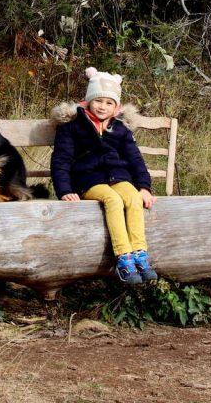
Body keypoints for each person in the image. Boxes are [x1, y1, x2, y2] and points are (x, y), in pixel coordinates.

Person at [50, 67, 158, 285]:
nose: (102, 107)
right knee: (113, 200)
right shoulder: (73, 127)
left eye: (109, 103)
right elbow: (61, 160)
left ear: (116, 107)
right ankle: (124, 258)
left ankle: (140, 253)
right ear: (88, 101)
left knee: (133, 198)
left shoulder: (120, 129)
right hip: (88, 180)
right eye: (98, 101)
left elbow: (136, 159)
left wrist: (144, 187)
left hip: (119, 177)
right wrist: (65, 190)